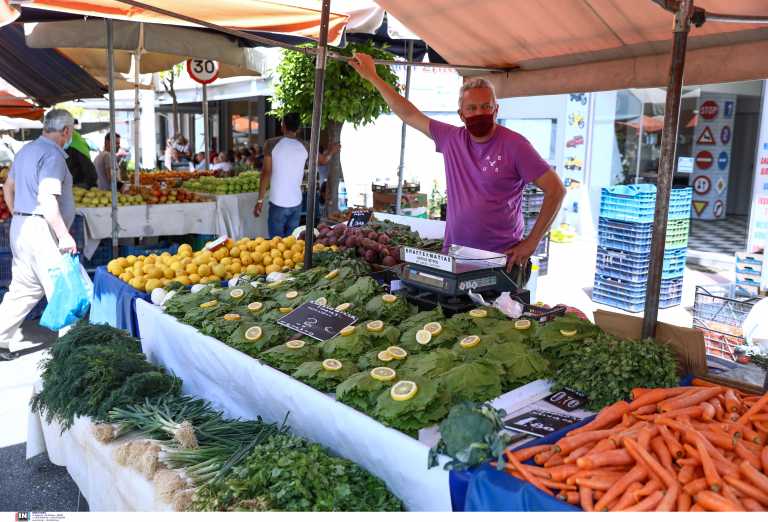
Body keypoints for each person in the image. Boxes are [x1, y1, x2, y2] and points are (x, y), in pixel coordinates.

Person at [350, 52, 566, 270]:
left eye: (486, 106)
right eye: (472, 108)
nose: (480, 113)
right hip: (455, 257)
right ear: (461, 114)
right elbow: (408, 114)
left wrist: (531, 242)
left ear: (496, 109)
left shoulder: (515, 145)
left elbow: (556, 190)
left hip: (501, 260)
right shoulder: (451, 139)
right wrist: (373, 77)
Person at [0, 109, 79, 361]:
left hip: (21, 226)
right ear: (65, 131)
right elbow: (46, 197)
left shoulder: (25, 150)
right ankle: (72, 352)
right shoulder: (53, 155)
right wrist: (63, 235)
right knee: (63, 289)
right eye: (71, 131)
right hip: (40, 229)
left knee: (23, 289)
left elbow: (7, 188)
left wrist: (19, 216)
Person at [254, 113, 339, 238]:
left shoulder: (271, 144)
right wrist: (332, 150)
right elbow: (324, 160)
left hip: (278, 202)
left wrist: (260, 200)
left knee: (276, 243)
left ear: (282, 126)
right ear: (299, 129)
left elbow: (266, 173)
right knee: (291, 243)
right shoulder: (305, 146)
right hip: (296, 203)